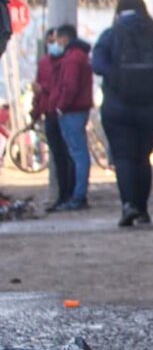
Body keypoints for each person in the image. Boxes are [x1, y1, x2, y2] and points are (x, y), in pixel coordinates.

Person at [91, 0, 153, 227]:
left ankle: (128, 205)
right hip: (152, 108)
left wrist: (116, 77)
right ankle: (142, 210)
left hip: (117, 107)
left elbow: (97, 64)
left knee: (123, 157)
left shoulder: (111, 34)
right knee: (143, 157)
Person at [47, 24, 93, 211]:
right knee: (77, 153)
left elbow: (69, 86)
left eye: (57, 39)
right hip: (75, 110)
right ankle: (77, 195)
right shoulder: (79, 56)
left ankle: (78, 195)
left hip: (72, 111)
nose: (55, 44)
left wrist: (60, 107)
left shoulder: (73, 58)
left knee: (77, 154)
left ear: (65, 39)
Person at [30, 28, 74, 209]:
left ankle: (71, 194)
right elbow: (39, 91)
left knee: (68, 155)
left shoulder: (69, 61)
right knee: (58, 156)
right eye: (51, 41)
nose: (54, 44)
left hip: (63, 112)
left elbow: (62, 87)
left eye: (56, 40)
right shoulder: (44, 63)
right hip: (49, 113)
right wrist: (35, 113)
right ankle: (63, 195)